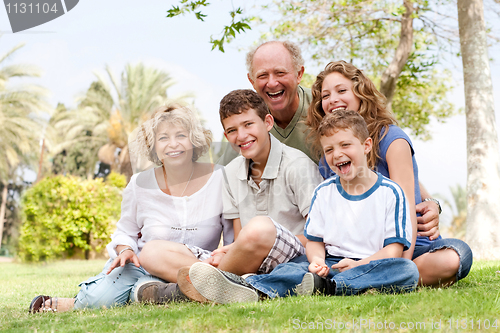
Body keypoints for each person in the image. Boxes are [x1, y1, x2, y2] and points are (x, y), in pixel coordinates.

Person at [218, 40, 443, 253]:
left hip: (357, 230)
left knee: (452, 256)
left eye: (280, 73)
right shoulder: (245, 134)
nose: (272, 82)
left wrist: (430, 202)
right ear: (251, 80)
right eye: (262, 75)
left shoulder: (324, 114)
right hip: (319, 235)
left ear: (299, 74)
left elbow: (395, 164)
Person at [186, 110, 419, 302]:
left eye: (345, 145)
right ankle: (249, 287)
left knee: (406, 271)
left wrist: (359, 264)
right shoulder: (324, 192)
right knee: (291, 268)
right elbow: (315, 242)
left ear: (366, 145)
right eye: (329, 150)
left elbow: (394, 251)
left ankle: (330, 287)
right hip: (330, 262)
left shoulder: (390, 193)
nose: (337, 154)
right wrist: (317, 261)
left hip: (371, 264)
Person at [28, 104, 233, 312]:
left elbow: (233, 237)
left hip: (201, 266)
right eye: (163, 138)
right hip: (141, 266)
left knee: (146, 290)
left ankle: (158, 290)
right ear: (153, 146)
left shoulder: (220, 178)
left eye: (181, 135)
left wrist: (224, 259)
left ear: (194, 139)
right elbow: (125, 232)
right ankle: (134, 291)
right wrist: (125, 249)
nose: (173, 144)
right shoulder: (139, 183)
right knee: (97, 301)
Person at [305, 61, 472, 286]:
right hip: (357, 248)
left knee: (456, 255)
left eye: (342, 90)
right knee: (297, 261)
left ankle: (366, 278)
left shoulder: (391, 138)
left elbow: (407, 201)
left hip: (405, 246)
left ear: (361, 94)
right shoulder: (331, 153)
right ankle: (361, 278)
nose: (333, 99)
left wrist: (401, 262)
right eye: (325, 95)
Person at [178, 89, 323, 304]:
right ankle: (225, 281)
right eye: (233, 130)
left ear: (267, 122)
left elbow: (319, 233)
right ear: (227, 137)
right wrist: (230, 251)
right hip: (250, 256)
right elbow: (240, 237)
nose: (242, 136)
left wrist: (257, 242)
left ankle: (200, 287)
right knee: (154, 251)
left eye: (248, 124)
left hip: (294, 255)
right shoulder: (229, 172)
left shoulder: (297, 165)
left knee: (260, 228)